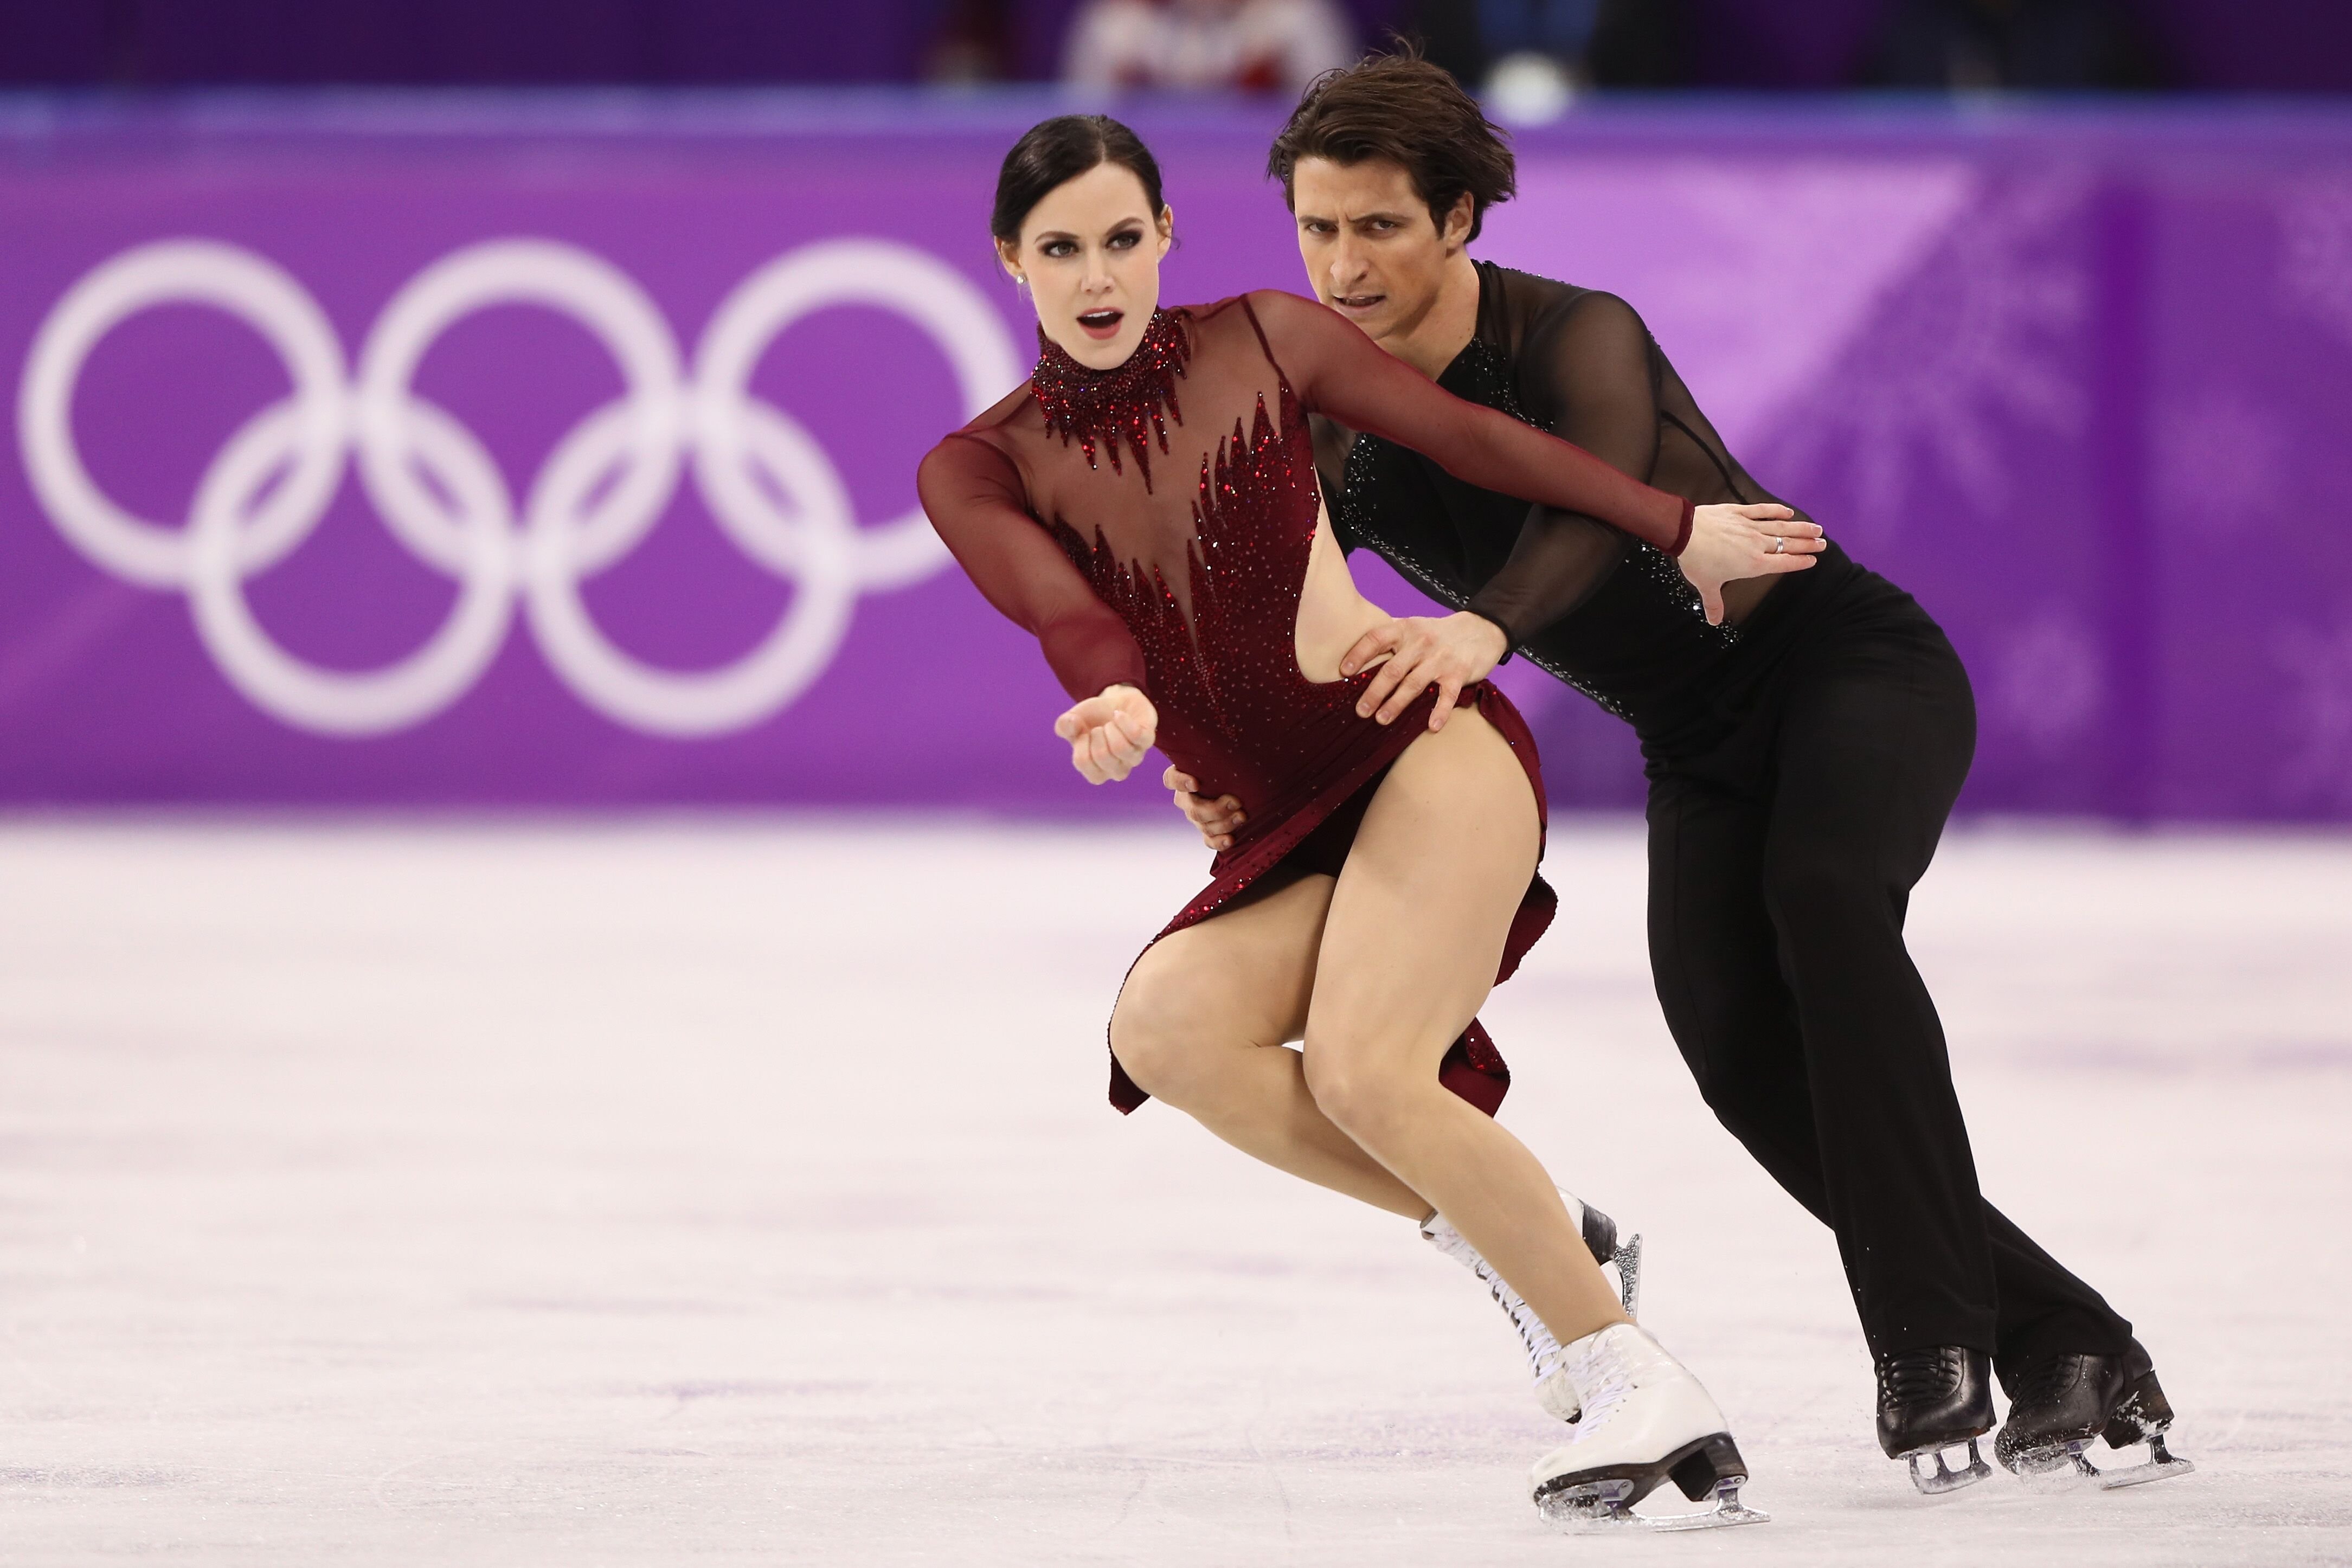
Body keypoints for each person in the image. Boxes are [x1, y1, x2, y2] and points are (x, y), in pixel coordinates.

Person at [1165, 50, 2192, 1495]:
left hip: (1846, 671)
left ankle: (1927, 1336)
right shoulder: (1331, 425)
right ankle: (2070, 1337)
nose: (1343, 265)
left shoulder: (1576, 332)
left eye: (1379, 226)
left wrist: (1483, 626)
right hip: (1697, 749)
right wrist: (1207, 737)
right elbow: (1270, 604)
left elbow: (1593, 507)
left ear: (1459, 219)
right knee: (1737, 1054)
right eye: (1317, 229)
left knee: (1824, 900)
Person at [917, 113, 1816, 1527]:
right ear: (1007, 262)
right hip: (1279, 818)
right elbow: (1060, 600)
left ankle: (1627, 1369)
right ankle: (1533, 1238)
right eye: (1058, 248)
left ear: (1161, 237)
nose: (1095, 276)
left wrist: (1672, 523)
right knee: (1165, 1029)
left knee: (1361, 1066)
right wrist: (1110, 696)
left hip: (1418, 751)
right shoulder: (979, 466)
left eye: (1118, 239)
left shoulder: (1267, 339)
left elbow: (1478, 440)